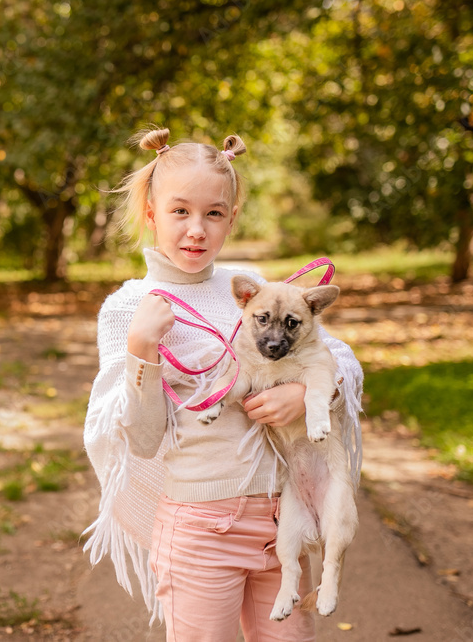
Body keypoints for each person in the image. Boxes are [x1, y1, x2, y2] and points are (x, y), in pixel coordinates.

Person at [82, 128, 363, 642]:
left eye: (214, 213)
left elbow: (329, 354)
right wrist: (140, 351)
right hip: (200, 529)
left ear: (231, 219)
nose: (196, 229)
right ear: (151, 213)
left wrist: (304, 393)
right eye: (180, 211)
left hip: (281, 519)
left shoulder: (247, 287)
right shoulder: (129, 307)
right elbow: (141, 440)